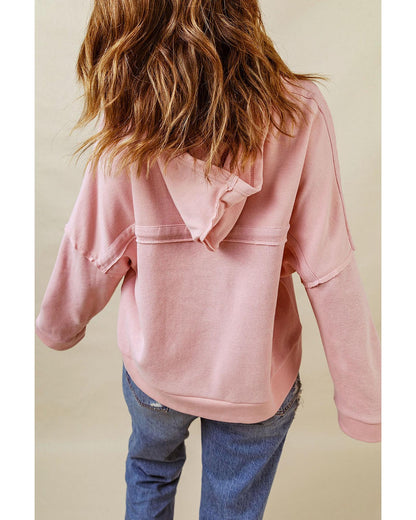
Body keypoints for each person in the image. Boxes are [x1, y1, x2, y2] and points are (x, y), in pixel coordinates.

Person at [35, 1, 381, 518]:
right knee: (232, 508)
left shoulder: (129, 118)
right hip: (255, 377)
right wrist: (364, 403)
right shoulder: (298, 112)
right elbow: (329, 266)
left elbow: (92, 248)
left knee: (150, 469)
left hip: (157, 374)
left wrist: (58, 327)